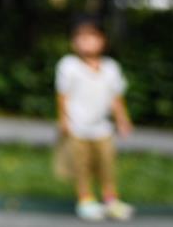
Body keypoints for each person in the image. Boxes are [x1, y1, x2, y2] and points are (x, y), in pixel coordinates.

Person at [56, 17, 135, 222]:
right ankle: (86, 200)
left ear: (103, 40)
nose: (87, 42)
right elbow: (63, 96)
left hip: (102, 128)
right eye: (81, 38)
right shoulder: (69, 66)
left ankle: (110, 200)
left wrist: (122, 119)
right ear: (74, 42)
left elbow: (116, 98)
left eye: (92, 37)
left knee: (106, 164)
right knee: (81, 166)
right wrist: (63, 120)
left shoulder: (111, 68)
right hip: (77, 127)